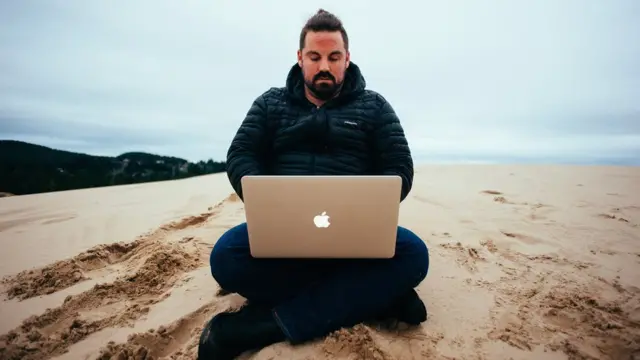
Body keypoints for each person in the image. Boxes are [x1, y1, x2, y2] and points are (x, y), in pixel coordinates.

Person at [198, 9, 430, 360]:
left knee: (415, 256)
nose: (325, 65)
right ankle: (373, 296)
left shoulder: (375, 106)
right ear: (300, 58)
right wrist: (270, 198)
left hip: (355, 234)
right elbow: (241, 153)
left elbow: (399, 165)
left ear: (347, 59)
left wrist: (370, 200)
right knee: (226, 259)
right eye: (315, 56)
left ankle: (263, 325)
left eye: (334, 57)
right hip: (284, 232)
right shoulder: (270, 103)